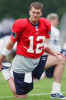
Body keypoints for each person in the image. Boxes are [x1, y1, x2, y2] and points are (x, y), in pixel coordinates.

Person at [0, 2, 65, 99]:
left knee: (61, 59)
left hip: (37, 60)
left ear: (41, 13)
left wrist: (53, 53)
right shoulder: (20, 24)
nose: (35, 14)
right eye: (33, 12)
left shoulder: (46, 24)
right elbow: (11, 44)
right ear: (29, 12)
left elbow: (43, 45)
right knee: (21, 96)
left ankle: (56, 91)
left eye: (37, 12)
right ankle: (7, 73)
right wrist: (1, 58)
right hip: (23, 62)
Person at [33, 13, 66, 99]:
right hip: (45, 56)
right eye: (57, 20)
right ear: (53, 20)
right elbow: (44, 44)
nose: (58, 22)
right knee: (61, 60)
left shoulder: (55, 30)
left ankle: (55, 92)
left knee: (61, 62)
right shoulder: (49, 28)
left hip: (51, 56)